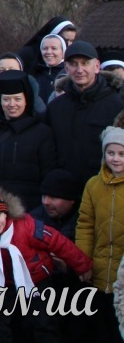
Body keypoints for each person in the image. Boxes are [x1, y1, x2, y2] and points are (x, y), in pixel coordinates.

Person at [0, 177, 91, 343]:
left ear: (5, 212)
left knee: (44, 321)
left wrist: (82, 266)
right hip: (0, 282)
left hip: (36, 277)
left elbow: (58, 242)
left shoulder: (25, 226)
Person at [0, 71, 55, 209]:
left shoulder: (42, 132)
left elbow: (48, 174)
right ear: (0, 100)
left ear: (26, 100)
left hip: (29, 209)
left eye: (17, 99)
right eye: (6, 99)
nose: (12, 104)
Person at [47, 40, 124, 184]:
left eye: (85, 63)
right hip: (64, 191)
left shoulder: (117, 106)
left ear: (96, 66)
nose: (79, 69)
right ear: (66, 68)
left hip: (104, 189)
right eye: (73, 64)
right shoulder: (55, 108)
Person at [76, 126, 124, 341]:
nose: (115, 159)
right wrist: (83, 261)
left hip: (121, 272)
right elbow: (85, 224)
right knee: (100, 325)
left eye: (122, 154)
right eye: (110, 153)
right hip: (99, 269)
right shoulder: (93, 185)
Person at [30, 169, 82, 241]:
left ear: (71, 200)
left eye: (53, 197)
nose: (45, 202)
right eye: (44, 196)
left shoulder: (85, 222)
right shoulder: (33, 220)